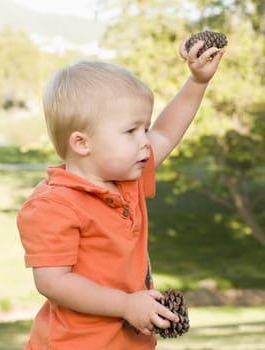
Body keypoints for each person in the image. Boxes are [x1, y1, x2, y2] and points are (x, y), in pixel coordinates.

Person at [17, 36, 224, 350]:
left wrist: (197, 81)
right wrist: (126, 305)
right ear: (82, 143)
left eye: (145, 128)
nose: (145, 141)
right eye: (131, 131)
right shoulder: (53, 204)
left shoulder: (127, 178)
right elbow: (53, 281)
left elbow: (166, 132)